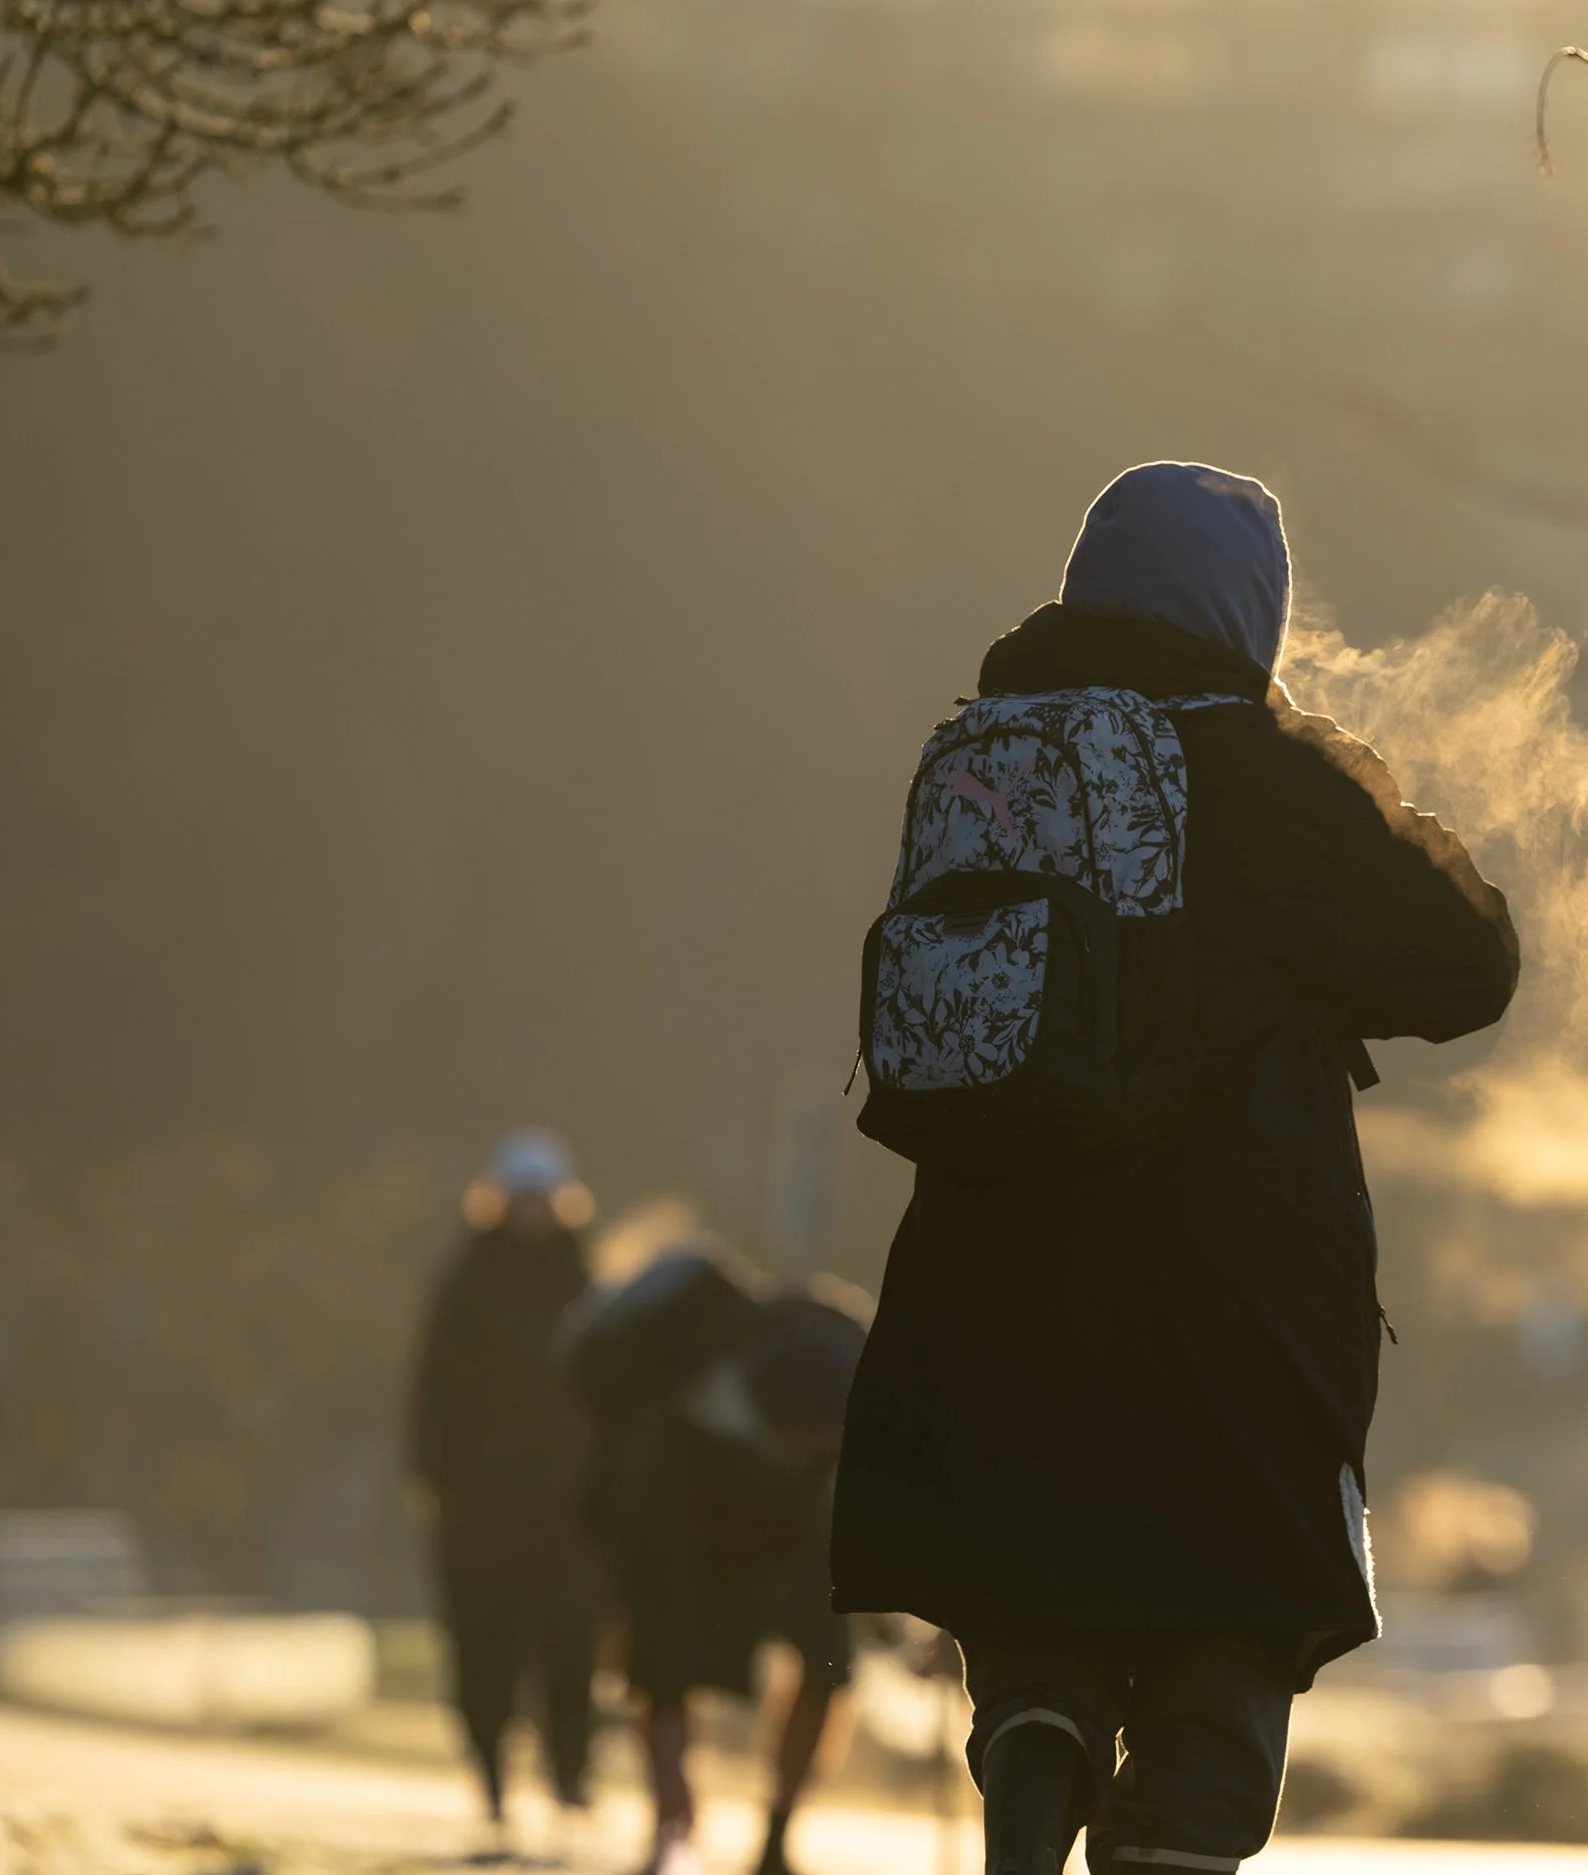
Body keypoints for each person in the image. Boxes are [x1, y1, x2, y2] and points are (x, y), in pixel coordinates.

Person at [832, 462, 1521, 1875]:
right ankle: (1159, 1841)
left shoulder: (983, 754)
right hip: (1225, 1303)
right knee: (1223, 1666)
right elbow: (1468, 959)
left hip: (989, 1288)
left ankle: (1034, 1733)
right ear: (1247, 611)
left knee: (1039, 1610)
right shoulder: (1264, 776)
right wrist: (1353, 777)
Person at [567, 1240, 868, 1875]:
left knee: (829, 1658)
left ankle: (778, 1837)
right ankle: (673, 1830)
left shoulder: (856, 1402)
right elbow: (652, 1648)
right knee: (664, 1663)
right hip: (691, 1518)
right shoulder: (670, 1437)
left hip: (796, 1526)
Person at [406, 1127, 602, 1841]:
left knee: (570, 1642)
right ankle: (491, 1767)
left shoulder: (585, 1281)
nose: (530, 1212)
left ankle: (571, 1770)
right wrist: (436, 1479)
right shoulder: (465, 1285)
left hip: (567, 1505)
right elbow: (431, 1392)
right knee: (483, 1641)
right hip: (481, 1505)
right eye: (520, 1199)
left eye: (540, 1199)